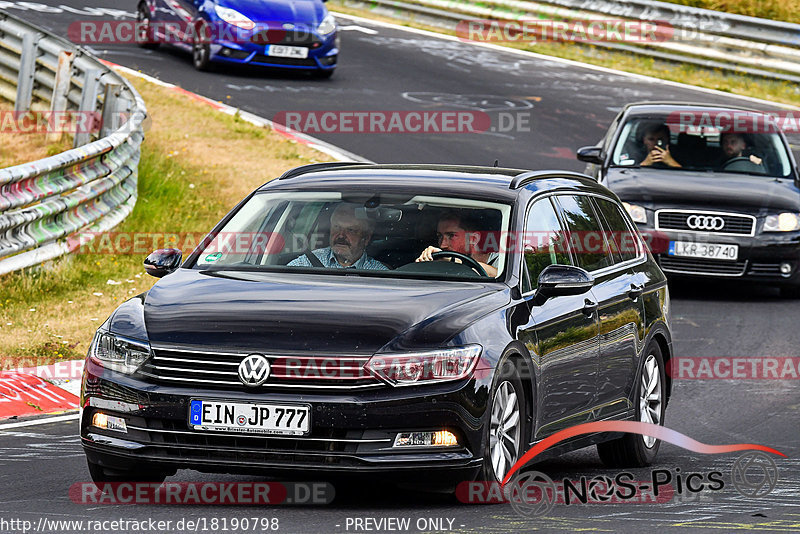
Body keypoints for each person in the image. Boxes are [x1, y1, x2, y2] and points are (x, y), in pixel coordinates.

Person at [288, 203, 387, 270]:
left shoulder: (378, 272)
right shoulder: (308, 262)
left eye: (350, 230)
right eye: (336, 227)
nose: (341, 235)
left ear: (366, 239)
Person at [415, 210, 498, 277]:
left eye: (452, 236)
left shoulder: (502, 261)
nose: (442, 245)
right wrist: (425, 262)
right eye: (439, 236)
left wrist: (453, 260)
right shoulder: (442, 260)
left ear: (473, 239)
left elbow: (499, 275)